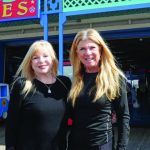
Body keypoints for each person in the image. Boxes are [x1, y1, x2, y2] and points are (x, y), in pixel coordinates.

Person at [67, 28, 130, 150]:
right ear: (77, 53)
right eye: (82, 49)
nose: (88, 53)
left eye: (92, 47)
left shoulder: (114, 78)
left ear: (100, 49)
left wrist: (121, 147)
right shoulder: (74, 79)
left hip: (101, 144)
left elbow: (123, 117)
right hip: (74, 144)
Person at [5, 40, 71, 150]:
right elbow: (12, 124)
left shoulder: (64, 83)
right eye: (35, 58)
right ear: (30, 62)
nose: (41, 61)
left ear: (53, 59)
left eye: (45, 56)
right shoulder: (22, 85)